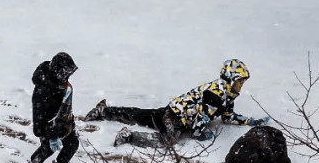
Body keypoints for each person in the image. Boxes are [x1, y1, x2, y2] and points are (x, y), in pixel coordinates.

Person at [82, 59, 270, 148]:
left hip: (173, 111)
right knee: (167, 140)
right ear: (230, 79)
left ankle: (103, 111)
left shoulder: (227, 94)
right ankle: (129, 136)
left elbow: (227, 115)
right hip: (173, 117)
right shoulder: (215, 94)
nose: (241, 85)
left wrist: (249, 121)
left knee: (139, 115)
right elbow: (198, 128)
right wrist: (203, 134)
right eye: (239, 81)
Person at [26, 52, 79, 163]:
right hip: (48, 127)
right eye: (66, 73)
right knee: (48, 148)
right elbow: (39, 119)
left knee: (73, 144)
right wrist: (51, 135)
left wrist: (69, 121)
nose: (68, 76)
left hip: (64, 122)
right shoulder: (43, 91)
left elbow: (65, 104)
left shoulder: (62, 83)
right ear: (58, 71)